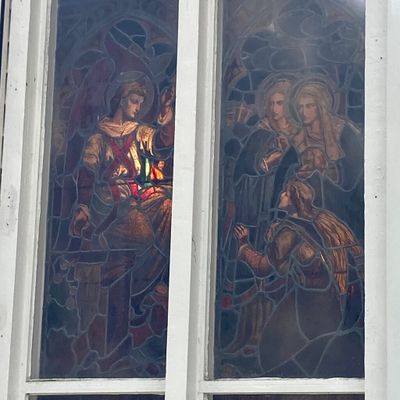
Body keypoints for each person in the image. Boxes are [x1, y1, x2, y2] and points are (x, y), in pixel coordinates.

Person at [233, 180, 364, 377]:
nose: (281, 195)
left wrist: (243, 245)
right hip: (333, 301)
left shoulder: (289, 233)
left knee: (272, 348)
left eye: (286, 193)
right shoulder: (324, 219)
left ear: (296, 200)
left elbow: (262, 268)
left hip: (310, 306)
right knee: (309, 356)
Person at [70, 74, 175, 296]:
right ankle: (130, 283)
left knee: (169, 208)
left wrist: (166, 112)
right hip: (111, 207)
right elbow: (87, 173)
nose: (138, 108)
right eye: (134, 101)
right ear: (121, 100)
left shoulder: (139, 131)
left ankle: (150, 283)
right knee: (144, 238)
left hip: (139, 199)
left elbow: (161, 143)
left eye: (141, 103)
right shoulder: (99, 137)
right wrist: (83, 207)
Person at [291, 80, 364, 240]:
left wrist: (325, 174)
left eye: (309, 106)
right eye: (300, 107)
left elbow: (355, 172)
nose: (303, 112)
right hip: (309, 206)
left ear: (320, 106)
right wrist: (300, 174)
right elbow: (288, 171)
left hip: (342, 202)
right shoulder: (298, 139)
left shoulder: (342, 131)